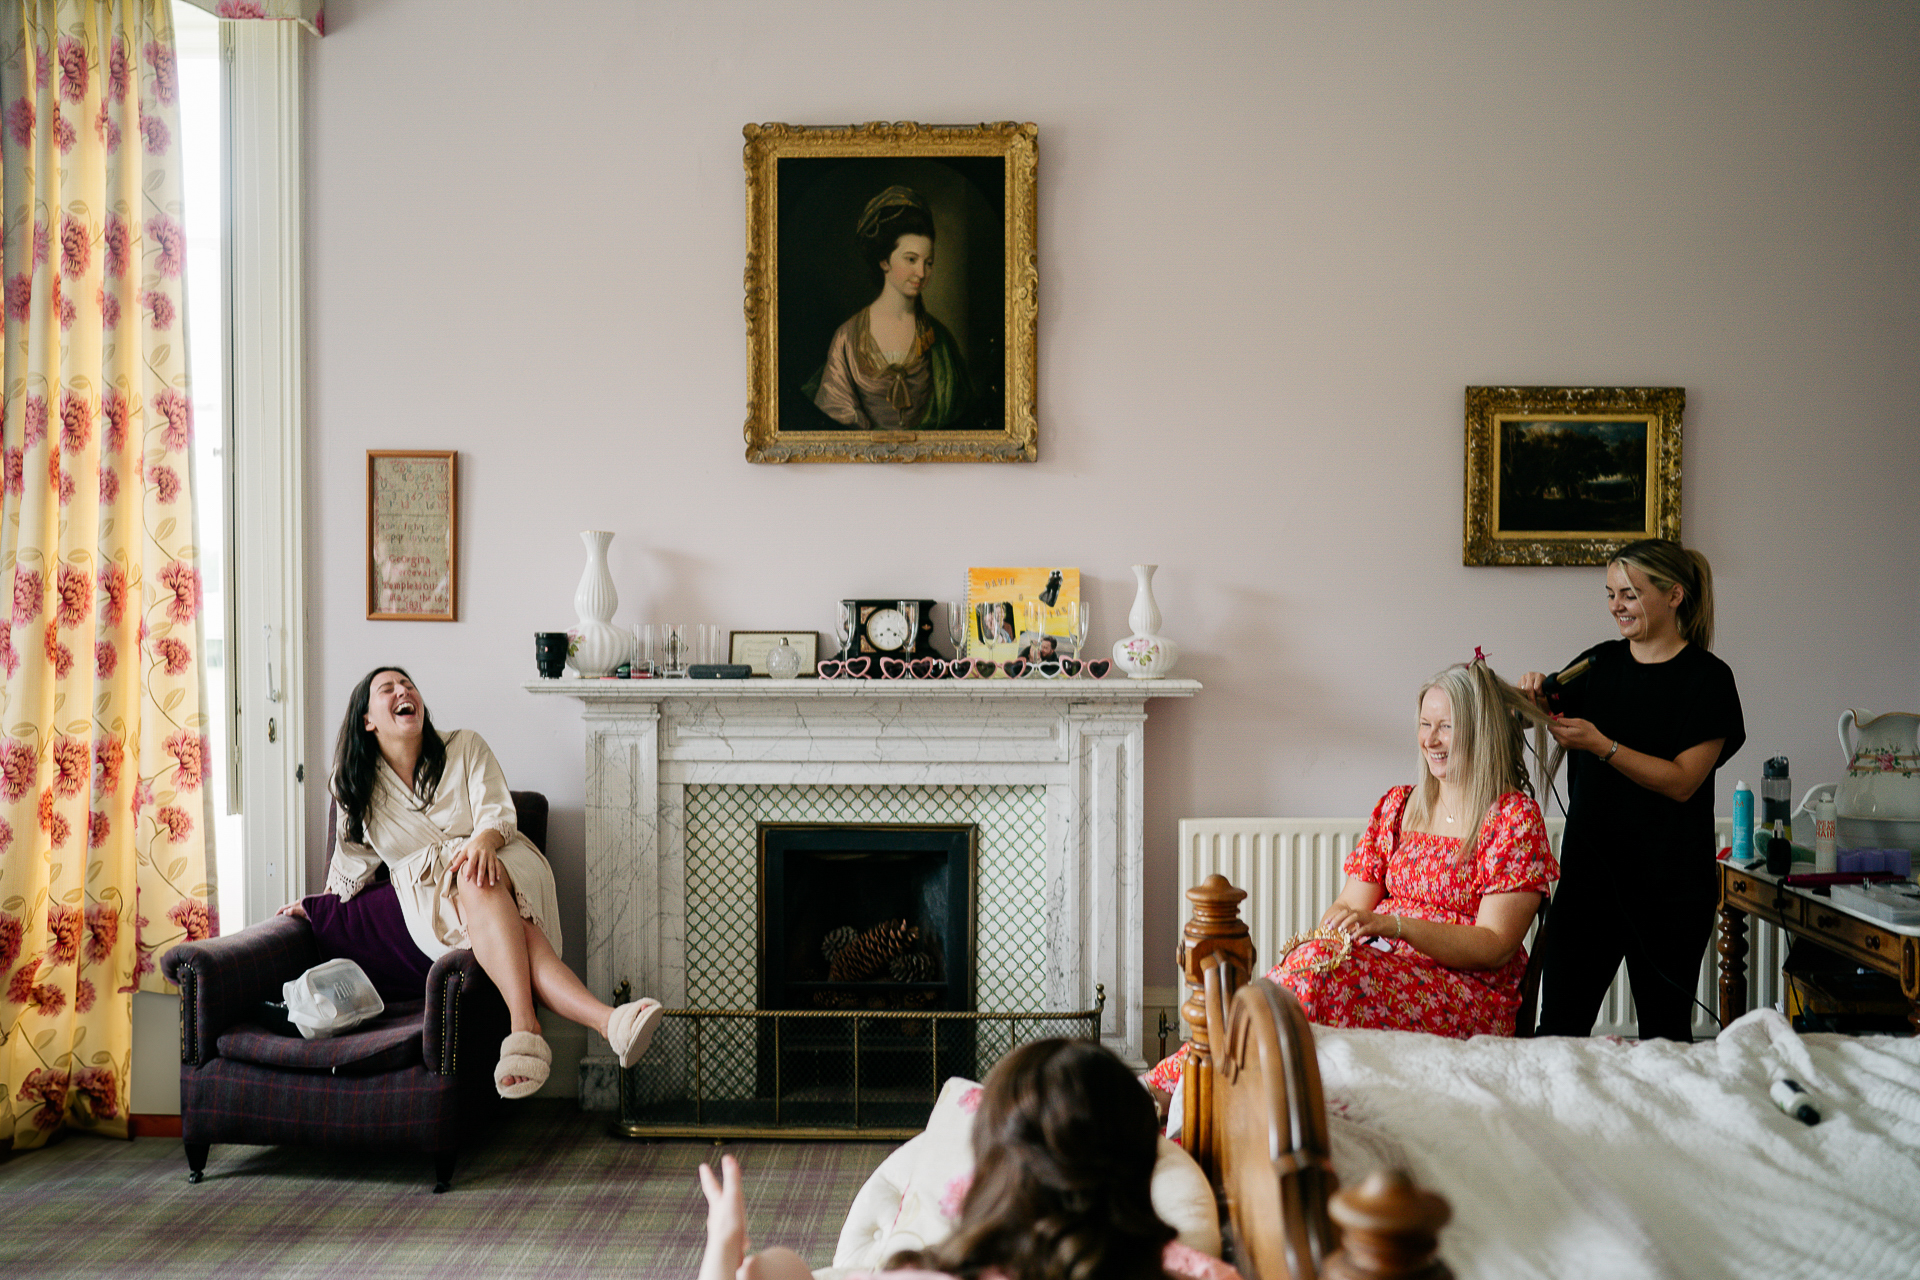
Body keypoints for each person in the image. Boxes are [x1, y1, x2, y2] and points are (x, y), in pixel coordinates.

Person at [1143, 658, 1558, 1101]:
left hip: (1465, 991)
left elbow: (1495, 945)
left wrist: (1394, 927)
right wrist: (1327, 939)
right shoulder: (1401, 807)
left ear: (1480, 730)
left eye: (1446, 727)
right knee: (1300, 974)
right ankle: (1194, 1082)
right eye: (1424, 724)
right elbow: (1346, 909)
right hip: (1379, 966)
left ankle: (1187, 1090)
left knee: (1319, 982)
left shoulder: (1512, 819)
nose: (1430, 740)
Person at [280, 666, 663, 1098]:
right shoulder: (354, 784)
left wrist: (482, 842)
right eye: (387, 689)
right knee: (507, 918)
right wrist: (319, 906)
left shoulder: (464, 746)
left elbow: (497, 811)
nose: (403, 691)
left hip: (501, 857)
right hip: (432, 897)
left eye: (409, 684)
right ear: (367, 720)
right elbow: (353, 862)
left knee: (475, 874)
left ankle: (524, 1025)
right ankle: (610, 1022)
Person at [699, 1038, 1214, 1280]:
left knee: (787, 1272)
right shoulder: (1182, 1266)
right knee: (786, 1272)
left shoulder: (945, 1269)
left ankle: (732, 1266)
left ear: (995, 1176)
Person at [1521, 539, 1744, 1043]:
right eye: (1610, 594)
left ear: (1674, 595)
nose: (1615, 606)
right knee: (1557, 1031)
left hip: (1670, 891)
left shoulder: (1708, 680)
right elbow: (1529, 713)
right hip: (1589, 884)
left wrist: (1603, 745)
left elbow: (1684, 781)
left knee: (1664, 1039)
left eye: (1629, 593)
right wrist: (1527, 693)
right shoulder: (1596, 665)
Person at [809, 186, 975, 430]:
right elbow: (835, 414)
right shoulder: (848, 337)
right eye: (911, 259)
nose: (921, 273)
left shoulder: (940, 340)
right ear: (884, 260)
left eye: (928, 263)